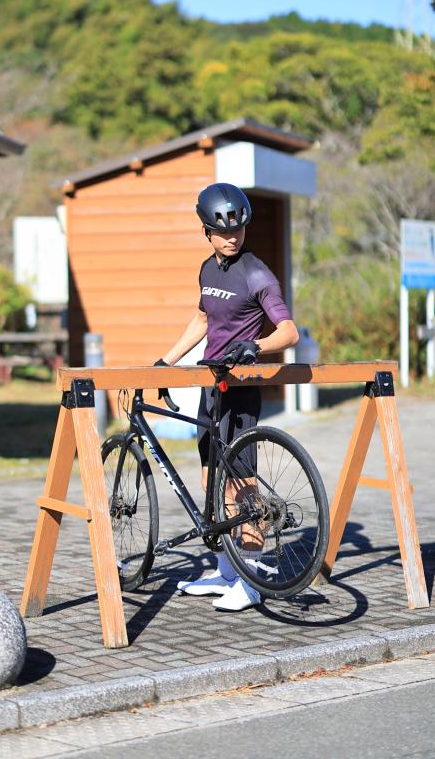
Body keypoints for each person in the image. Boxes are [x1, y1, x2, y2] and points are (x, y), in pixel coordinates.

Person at [155, 183, 299, 611]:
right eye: (222, 231)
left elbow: (288, 332)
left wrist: (257, 345)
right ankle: (226, 570)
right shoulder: (207, 270)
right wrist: (167, 360)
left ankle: (252, 580)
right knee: (210, 478)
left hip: (240, 389)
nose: (232, 236)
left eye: (238, 228)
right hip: (209, 385)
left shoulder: (257, 274)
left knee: (243, 483)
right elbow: (202, 318)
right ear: (207, 231)